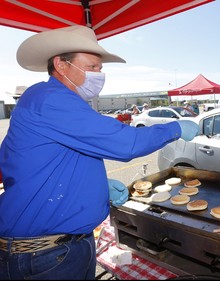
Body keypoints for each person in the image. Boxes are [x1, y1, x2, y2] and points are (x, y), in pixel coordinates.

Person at [0, 25, 199, 280]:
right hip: (44, 257)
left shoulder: (56, 102)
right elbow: (126, 143)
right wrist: (173, 128)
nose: (99, 74)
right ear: (61, 64)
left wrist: (95, 187)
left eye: (100, 68)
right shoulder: (49, 98)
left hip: (60, 250)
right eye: (92, 67)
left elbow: (34, 163)